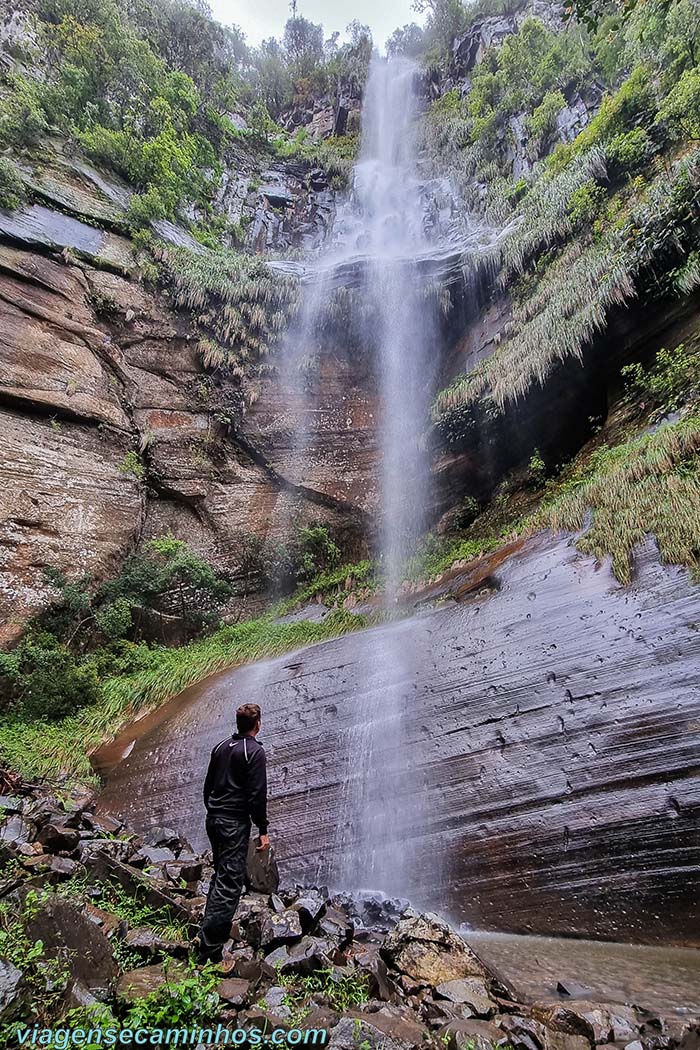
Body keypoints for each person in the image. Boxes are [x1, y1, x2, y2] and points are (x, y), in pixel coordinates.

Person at [195, 702, 269, 964]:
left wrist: (213, 811)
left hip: (214, 819)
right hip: (233, 823)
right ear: (257, 724)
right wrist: (262, 830)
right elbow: (258, 795)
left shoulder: (220, 747)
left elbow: (208, 785)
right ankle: (210, 951)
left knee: (220, 875)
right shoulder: (254, 753)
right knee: (230, 883)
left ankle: (206, 933)